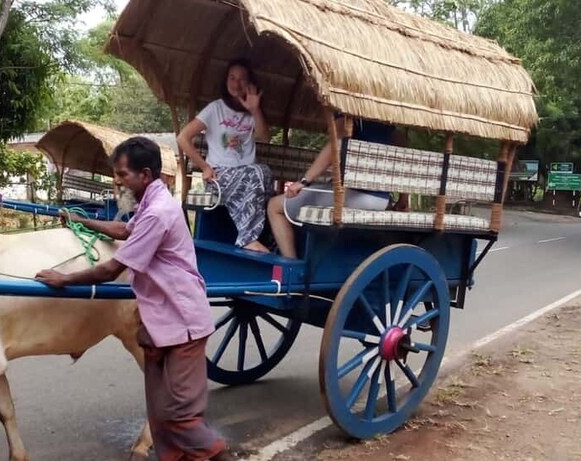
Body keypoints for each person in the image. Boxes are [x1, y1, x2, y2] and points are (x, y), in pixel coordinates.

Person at [36, 137, 234, 461]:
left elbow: (112, 269)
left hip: (182, 322)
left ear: (144, 174)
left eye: (122, 174)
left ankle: (220, 456)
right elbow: (124, 230)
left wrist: (65, 279)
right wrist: (81, 220)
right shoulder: (149, 202)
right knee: (158, 415)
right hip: (157, 321)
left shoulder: (158, 212)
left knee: (180, 417)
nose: (116, 180)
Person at [267, 116, 411, 259]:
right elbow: (405, 158)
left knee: (274, 206)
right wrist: (403, 199)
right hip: (382, 201)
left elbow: (335, 146)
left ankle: (290, 266)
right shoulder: (388, 127)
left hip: (354, 197)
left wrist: (303, 181)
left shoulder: (348, 114)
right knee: (323, 189)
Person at [177, 58, 273, 253]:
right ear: (226, 81)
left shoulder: (251, 111)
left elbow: (265, 137)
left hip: (247, 174)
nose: (237, 84)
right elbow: (183, 138)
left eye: (242, 79)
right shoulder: (215, 108)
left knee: (264, 173)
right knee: (258, 172)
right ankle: (247, 238)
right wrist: (204, 167)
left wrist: (255, 109)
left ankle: (264, 238)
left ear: (250, 83)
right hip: (219, 176)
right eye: (232, 78)